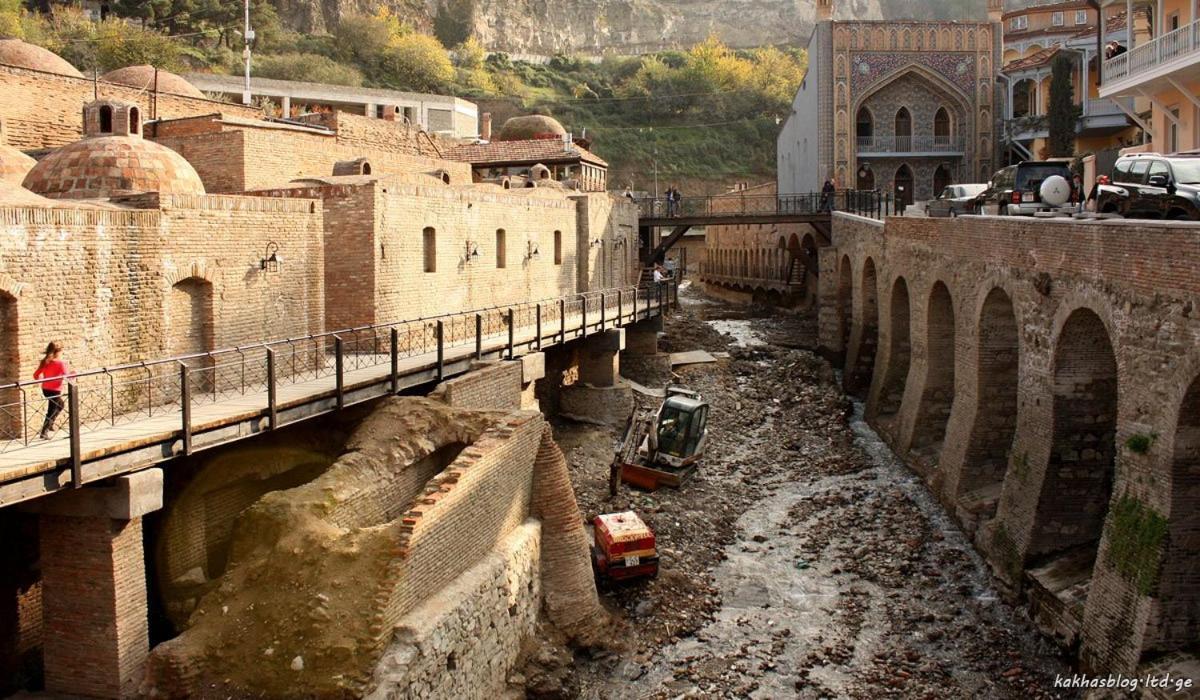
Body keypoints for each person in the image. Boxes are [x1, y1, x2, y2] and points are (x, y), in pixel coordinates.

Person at [33, 341, 71, 440]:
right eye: (61, 351)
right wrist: (75, 374)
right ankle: (44, 432)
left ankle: (50, 425)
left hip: (45, 389)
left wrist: (43, 379)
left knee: (60, 405)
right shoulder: (61, 363)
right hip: (55, 390)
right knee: (52, 410)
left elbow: (36, 375)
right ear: (58, 352)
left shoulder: (45, 361)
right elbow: (68, 377)